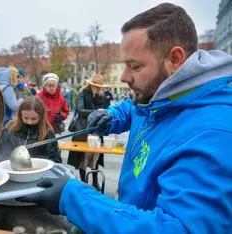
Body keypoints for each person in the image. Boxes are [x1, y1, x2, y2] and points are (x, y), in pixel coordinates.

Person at [16, 3, 232, 234]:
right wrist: (111, 116)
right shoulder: (162, 94)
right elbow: (135, 108)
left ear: (175, 59)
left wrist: (73, 198)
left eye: (134, 65)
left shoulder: (213, 133)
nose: (123, 76)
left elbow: (176, 228)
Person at [0, 96, 62, 165]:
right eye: (26, 118)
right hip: (9, 172)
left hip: (36, 175)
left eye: (33, 119)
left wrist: (36, 164)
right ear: (20, 115)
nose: (29, 122)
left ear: (41, 117)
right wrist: (4, 163)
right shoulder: (10, 128)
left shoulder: (47, 133)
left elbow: (55, 160)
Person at [67, 74, 107, 190]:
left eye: (100, 87)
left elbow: (104, 109)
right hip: (83, 129)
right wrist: (96, 112)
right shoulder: (82, 93)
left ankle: (95, 181)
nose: (99, 89)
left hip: (96, 129)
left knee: (95, 155)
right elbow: (80, 111)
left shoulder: (100, 95)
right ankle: (84, 182)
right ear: (92, 85)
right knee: (82, 157)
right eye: (97, 86)